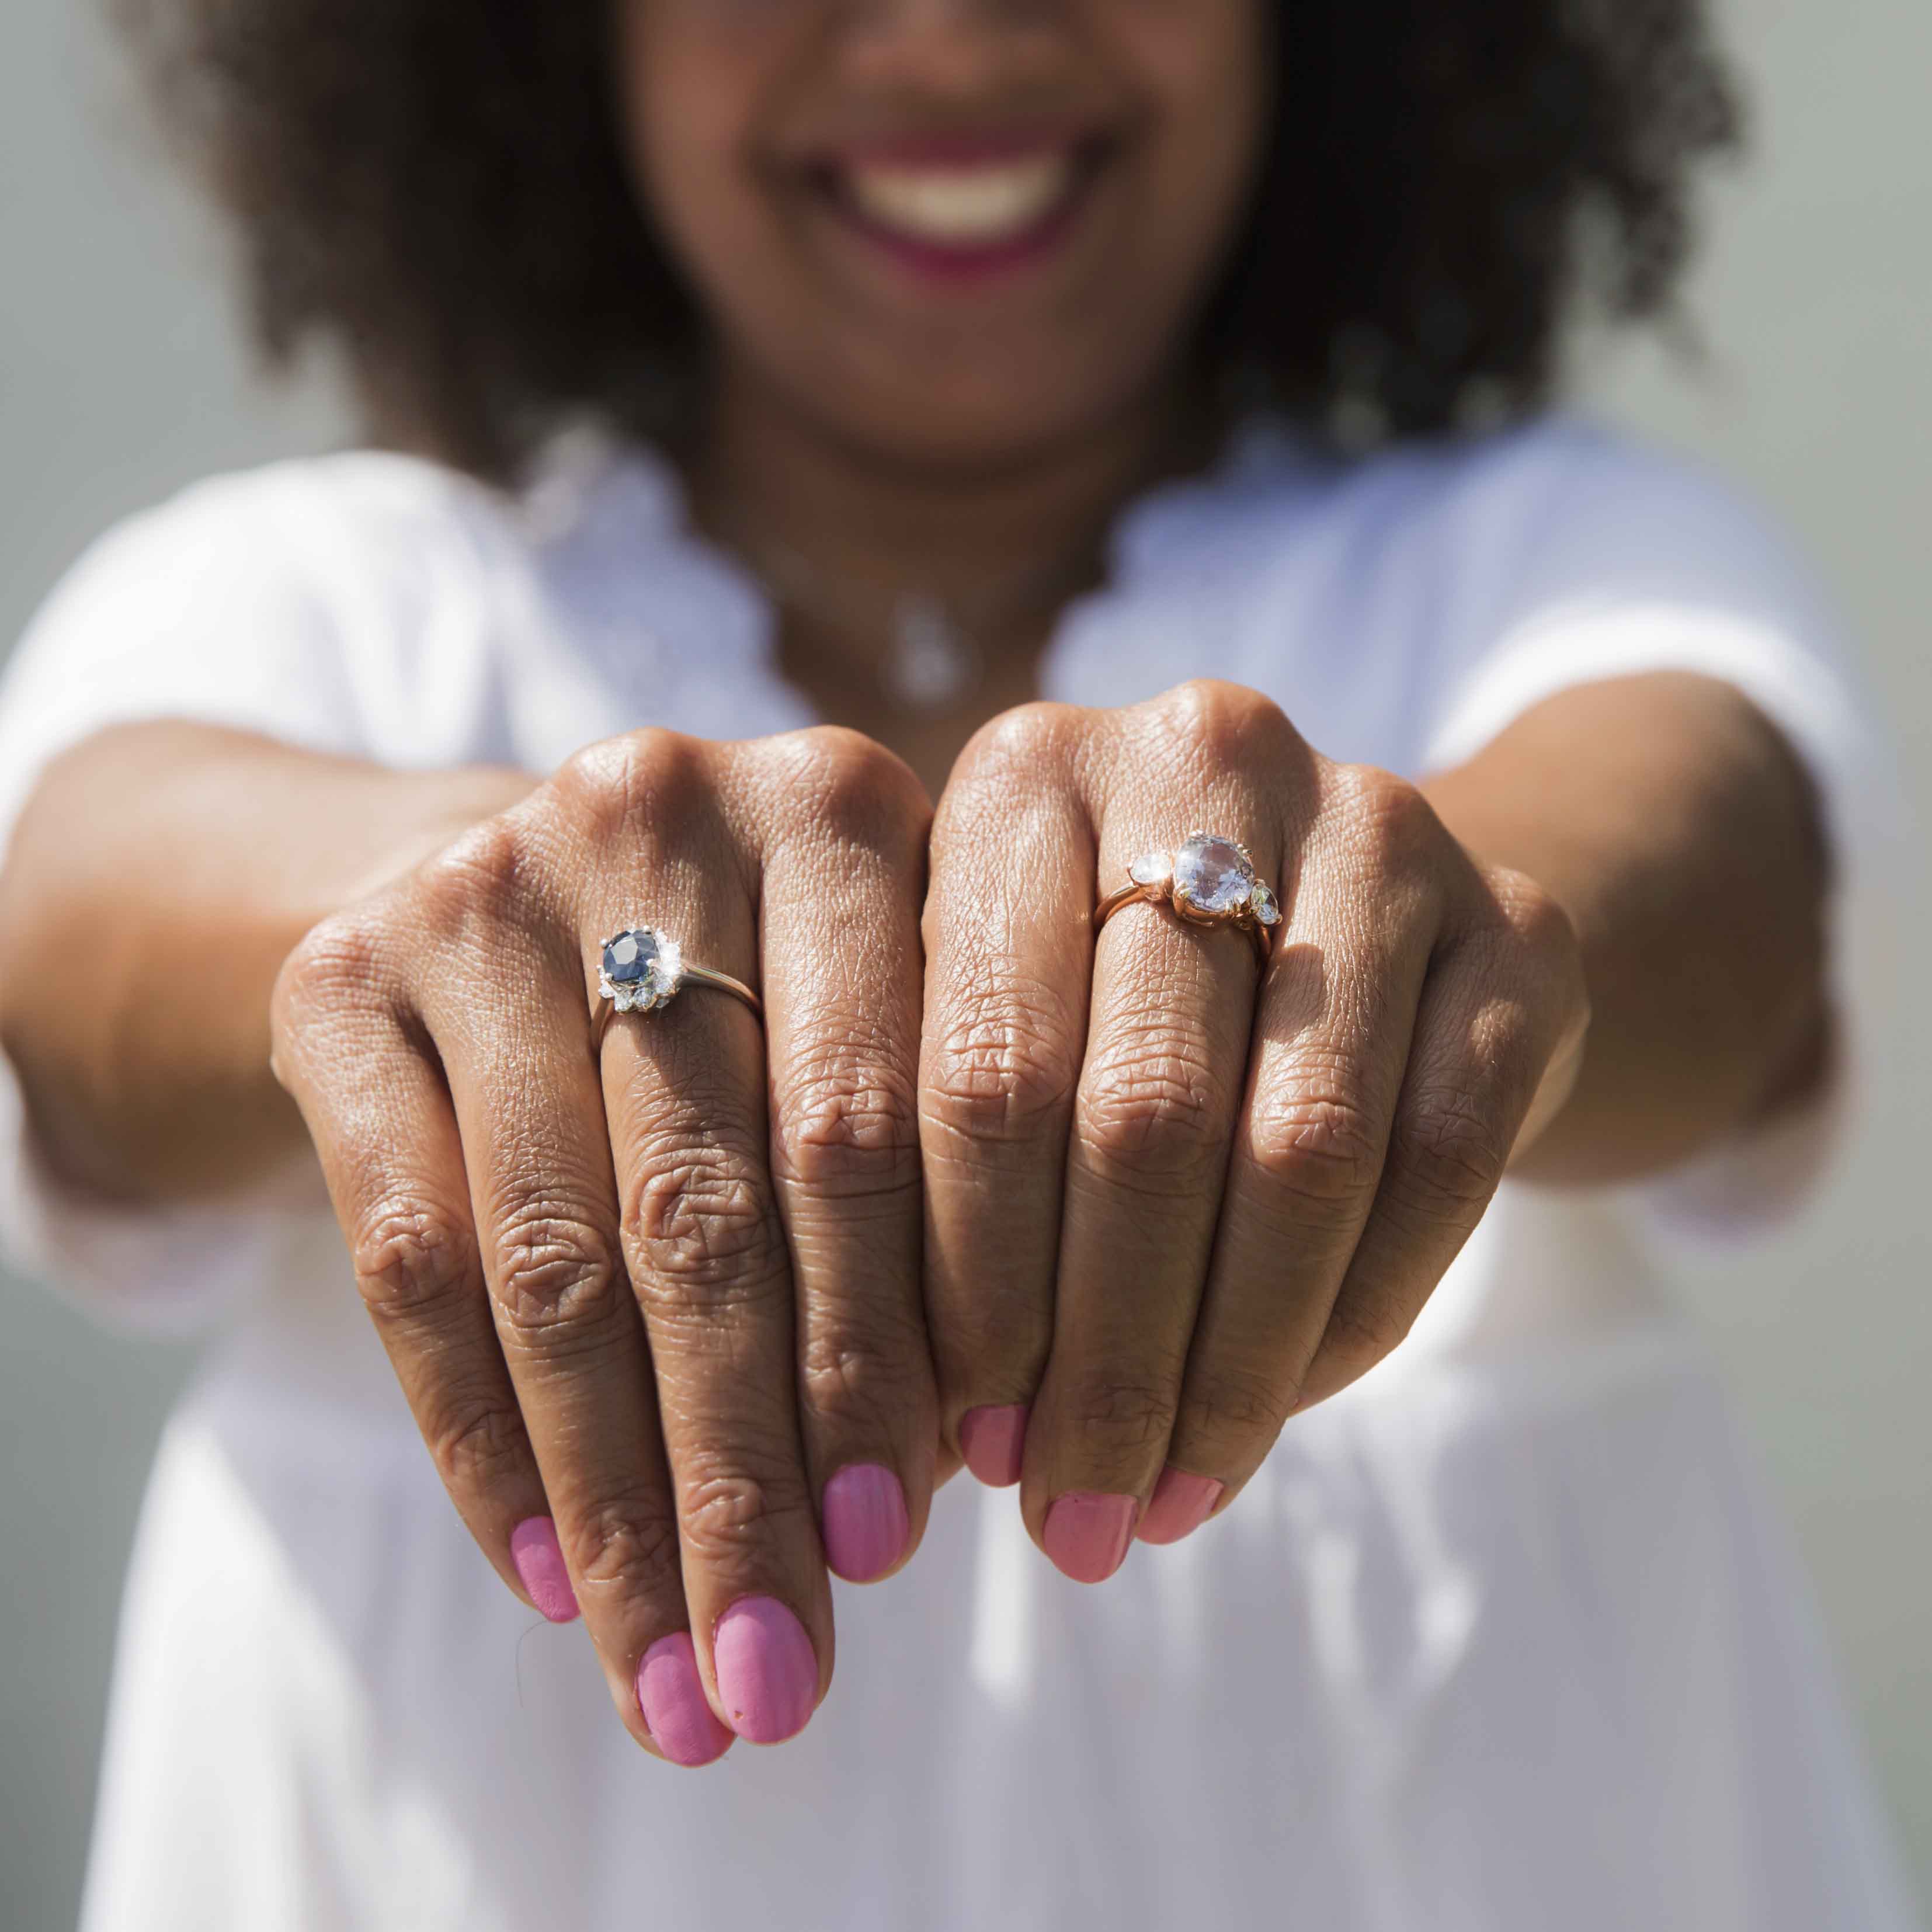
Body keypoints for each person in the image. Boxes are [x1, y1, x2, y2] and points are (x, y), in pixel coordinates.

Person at [0, 1, 1917, 1926]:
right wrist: (468, 919)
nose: (947, 31)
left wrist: (1429, 934)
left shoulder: (1556, 556)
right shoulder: (306, 608)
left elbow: (1716, 892)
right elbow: (75, 941)